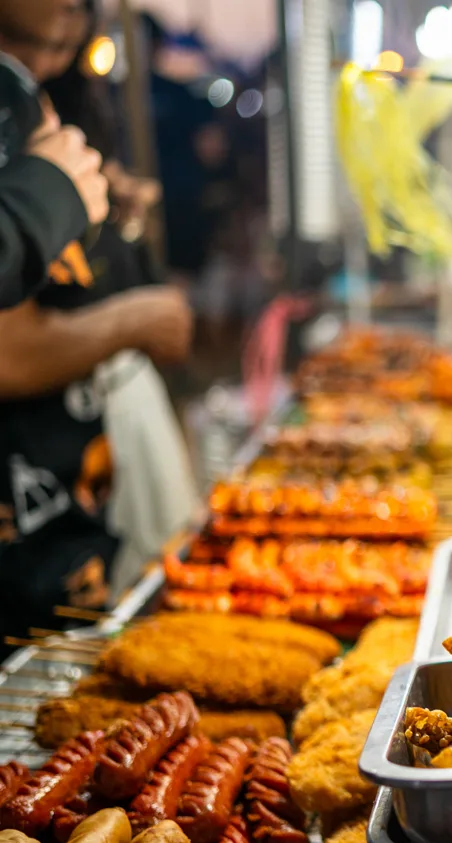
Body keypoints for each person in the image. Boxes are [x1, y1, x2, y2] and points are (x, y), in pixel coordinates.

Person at [0, 0, 192, 636]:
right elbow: (7, 351)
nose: (36, 67)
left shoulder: (53, 97)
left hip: (73, 485)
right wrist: (131, 322)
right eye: (15, 41)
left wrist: (96, 195)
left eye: (61, 48)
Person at [0, 0, 108, 307]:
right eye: (14, 39)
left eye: (64, 48)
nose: (42, 61)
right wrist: (48, 193)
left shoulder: (58, 93)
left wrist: (101, 182)